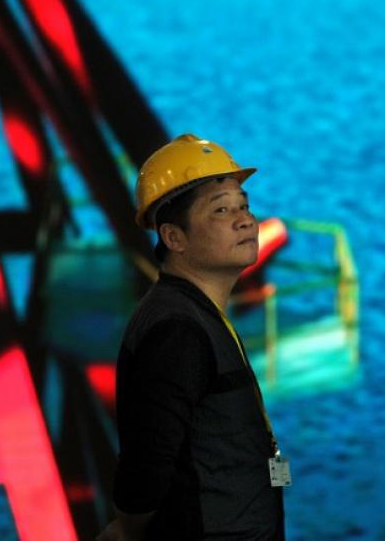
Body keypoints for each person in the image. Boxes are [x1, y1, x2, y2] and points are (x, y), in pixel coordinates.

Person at [97, 133, 287, 541]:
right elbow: (145, 470)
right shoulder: (176, 331)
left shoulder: (194, 316)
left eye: (244, 206)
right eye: (221, 210)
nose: (245, 220)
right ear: (174, 238)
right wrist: (128, 528)